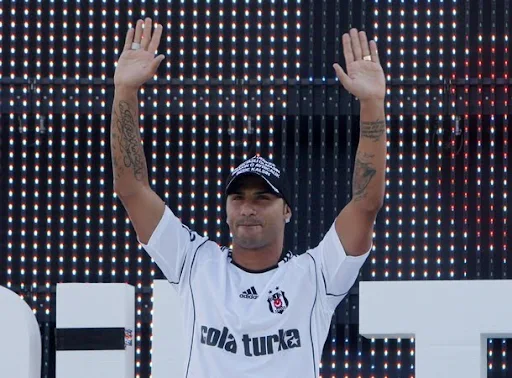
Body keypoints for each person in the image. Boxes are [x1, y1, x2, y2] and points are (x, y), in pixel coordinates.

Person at [111, 17, 386, 378]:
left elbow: (366, 204)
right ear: (225, 209)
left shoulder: (314, 276)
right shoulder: (196, 264)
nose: (248, 208)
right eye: (238, 198)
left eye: (262, 198)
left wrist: (371, 103)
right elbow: (131, 188)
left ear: (287, 211)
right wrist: (125, 92)